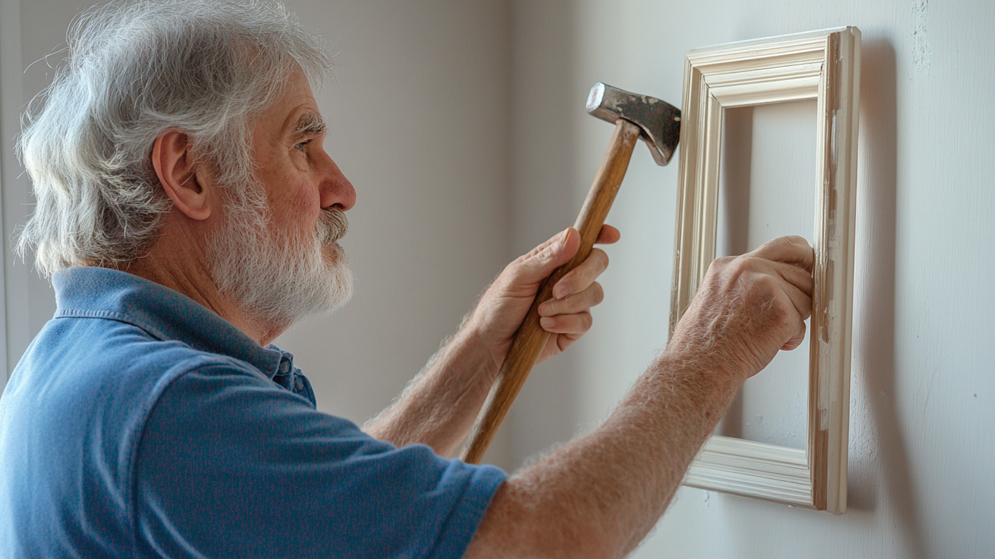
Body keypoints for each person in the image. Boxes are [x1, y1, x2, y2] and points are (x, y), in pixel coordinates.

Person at [0, 0, 814, 557]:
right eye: (302, 144)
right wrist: (707, 353)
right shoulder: (167, 407)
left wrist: (478, 354)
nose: (340, 187)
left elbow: (339, 518)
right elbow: (540, 541)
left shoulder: (81, 367)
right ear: (188, 172)